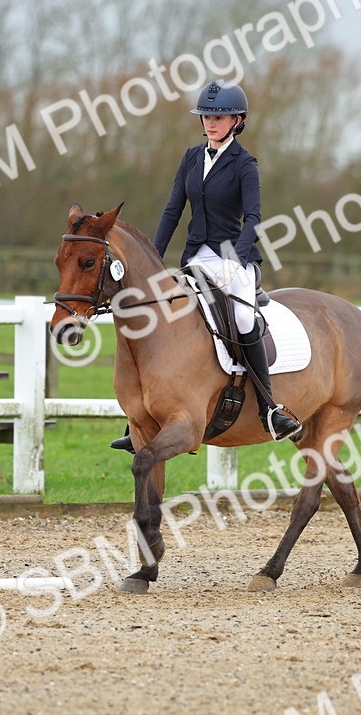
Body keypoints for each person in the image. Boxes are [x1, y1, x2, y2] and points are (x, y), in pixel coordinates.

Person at [110, 80, 303, 452]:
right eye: (206, 116)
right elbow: (172, 211)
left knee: (245, 320)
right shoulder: (191, 158)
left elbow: (254, 219)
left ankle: (268, 408)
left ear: (237, 120)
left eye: (219, 116)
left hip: (234, 258)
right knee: (161, 317)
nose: (211, 123)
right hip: (195, 258)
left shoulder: (245, 164)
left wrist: (236, 261)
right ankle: (137, 419)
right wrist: (151, 259)